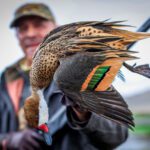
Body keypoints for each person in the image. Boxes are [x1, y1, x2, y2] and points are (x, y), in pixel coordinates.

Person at [0, 2, 128, 150]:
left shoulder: (80, 68)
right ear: (17, 36)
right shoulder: (6, 79)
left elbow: (116, 136)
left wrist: (84, 111)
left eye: (39, 25)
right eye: (23, 28)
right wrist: (7, 141)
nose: (30, 33)